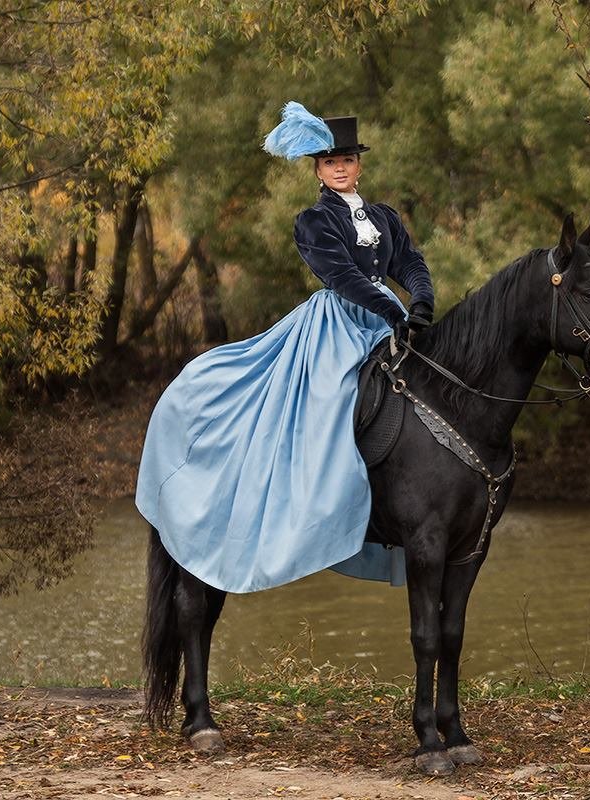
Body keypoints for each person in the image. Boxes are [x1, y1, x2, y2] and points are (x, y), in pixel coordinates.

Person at [135, 101, 435, 593]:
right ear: (318, 170)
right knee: (331, 402)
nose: (340, 167)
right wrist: (393, 310)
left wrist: (420, 298)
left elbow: (410, 263)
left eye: (347, 160)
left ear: (360, 165)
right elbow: (342, 277)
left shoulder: (383, 216)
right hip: (338, 324)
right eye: (329, 161)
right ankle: (310, 503)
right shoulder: (313, 223)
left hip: (387, 321)